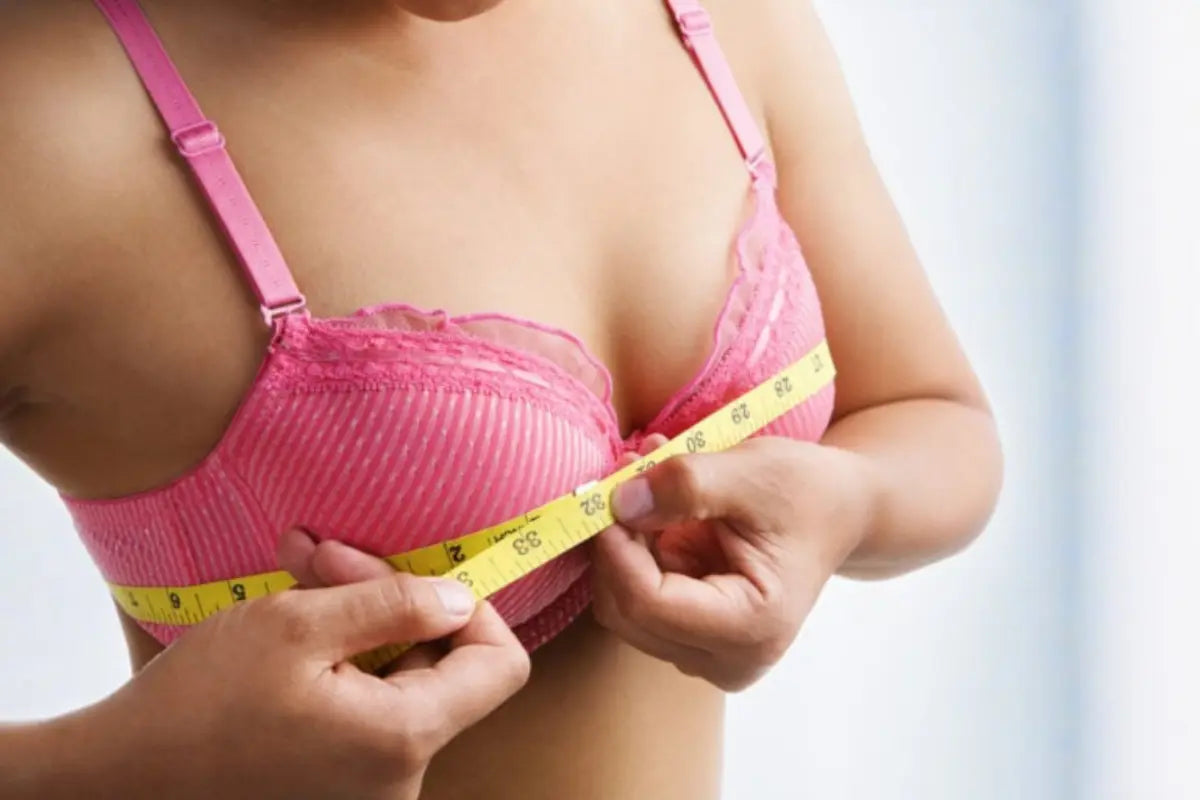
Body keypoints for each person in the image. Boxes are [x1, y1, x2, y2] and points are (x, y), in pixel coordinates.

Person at [0, 0, 1004, 797]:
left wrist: (849, 503)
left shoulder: (713, 20)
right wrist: (122, 765)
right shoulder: (41, 112)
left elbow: (934, 412)